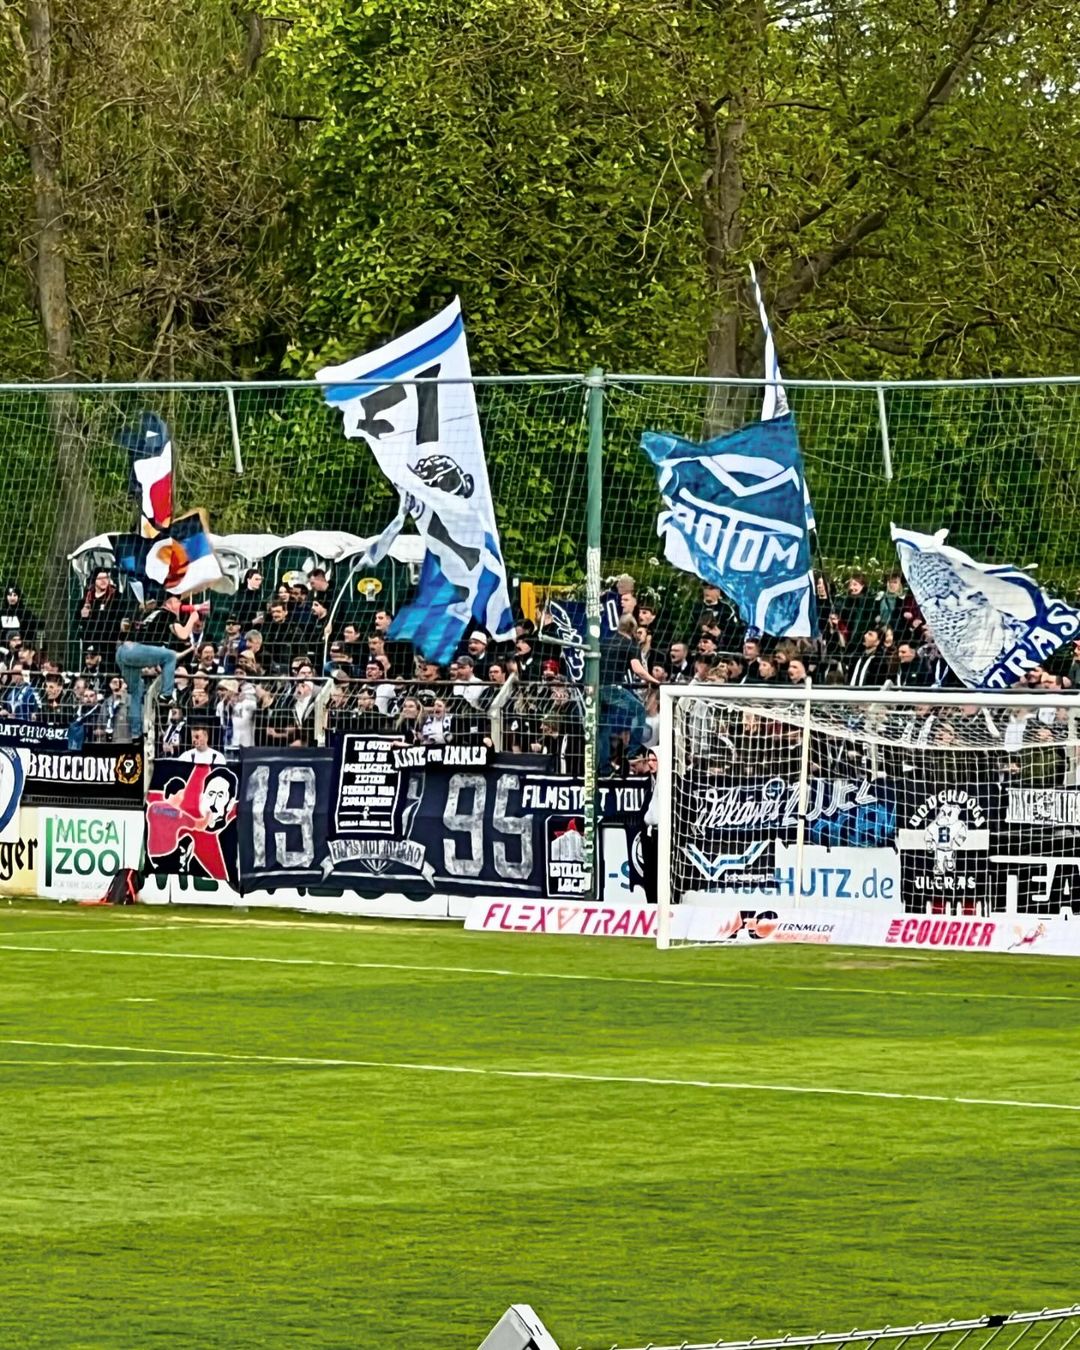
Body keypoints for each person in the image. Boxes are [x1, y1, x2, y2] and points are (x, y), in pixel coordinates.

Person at [117, 594, 200, 738]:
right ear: (170, 602)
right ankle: (166, 694)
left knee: (136, 691)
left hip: (122, 652)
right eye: (178, 601)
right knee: (169, 656)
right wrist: (193, 618)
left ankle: (136, 735)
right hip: (137, 651)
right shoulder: (166, 614)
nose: (180, 605)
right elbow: (183, 635)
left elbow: (167, 656)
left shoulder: (150, 613)